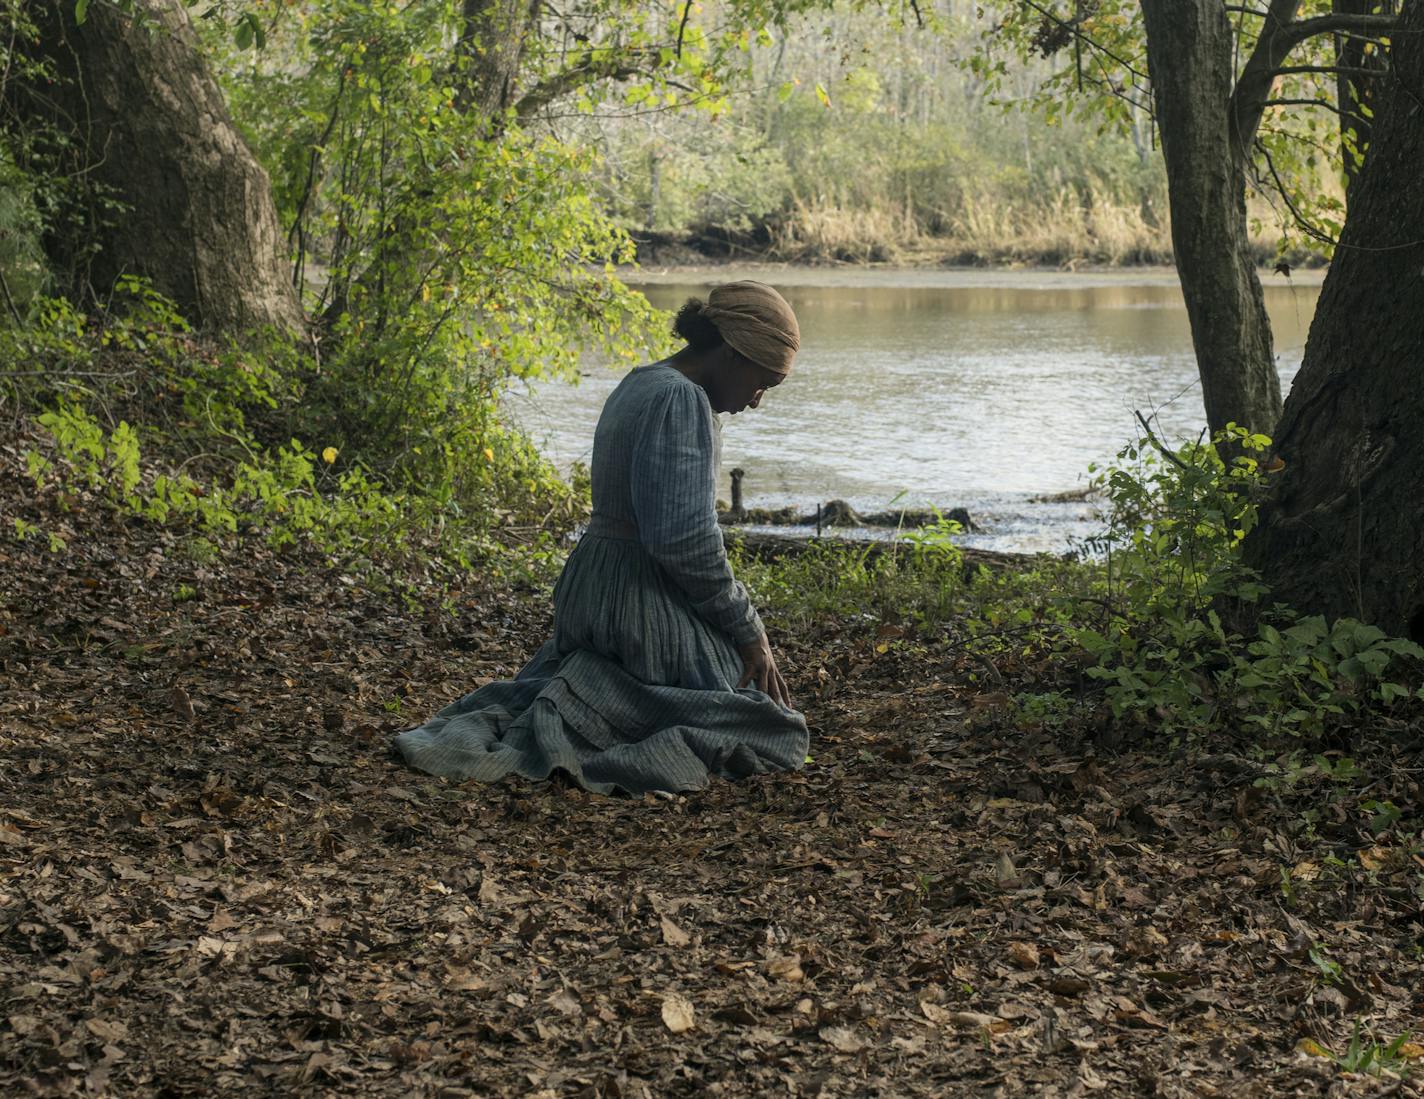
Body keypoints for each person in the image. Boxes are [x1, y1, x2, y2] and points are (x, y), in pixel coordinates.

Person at [393, 281, 809, 796]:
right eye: (760, 382)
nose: (756, 401)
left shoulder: (643, 381)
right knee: (770, 725)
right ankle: (606, 703)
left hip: (594, 584)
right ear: (730, 352)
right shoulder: (680, 401)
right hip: (635, 598)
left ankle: (599, 689)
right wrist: (748, 629)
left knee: (728, 682)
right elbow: (683, 541)